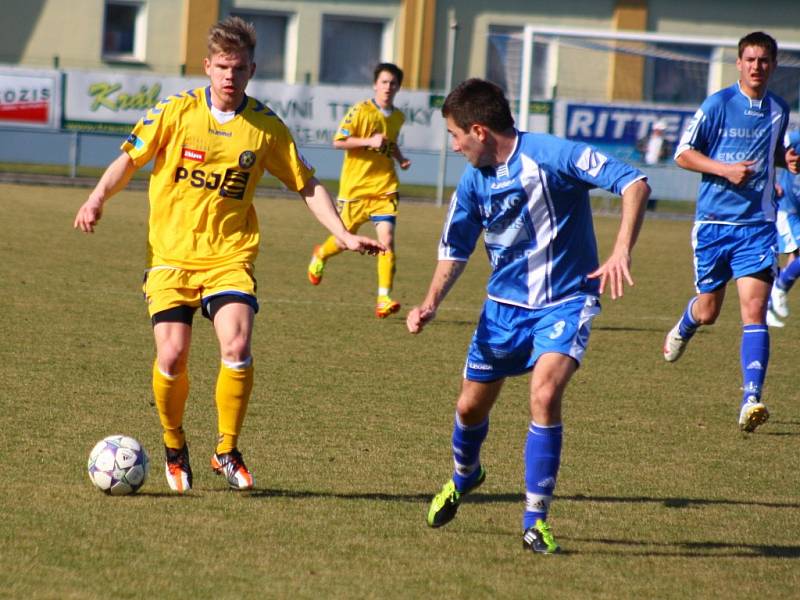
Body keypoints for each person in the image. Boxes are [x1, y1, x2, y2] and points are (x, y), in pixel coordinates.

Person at [73, 16, 384, 494]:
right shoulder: (173, 113)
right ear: (207, 66)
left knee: (236, 348)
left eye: (238, 68)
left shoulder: (265, 128)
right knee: (172, 357)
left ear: (252, 70)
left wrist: (341, 233)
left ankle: (226, 449)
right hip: (171, 257)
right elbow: (128, 160)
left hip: (229, 257)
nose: (229, 76)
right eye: (221, 67)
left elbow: (307, 183)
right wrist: (96, 198)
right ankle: (175, 446)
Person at [406, 79, 650, 554]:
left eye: (456, 135)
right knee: (469, 409)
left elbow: (634, 182)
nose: (454, 146)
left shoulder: (554, 155)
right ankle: (465, 475)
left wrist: (621, 250)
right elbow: (455, 248)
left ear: (479, 130)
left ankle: (535, 519)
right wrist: (430, 302)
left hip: (565, 302)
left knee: (544, 393)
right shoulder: (474, 180)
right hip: (502, 312)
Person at [662, 31, 799, 432]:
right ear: (739, 64)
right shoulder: (717, 105)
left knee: (754, 310)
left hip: (757, 226)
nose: (757, 66)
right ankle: (686, 324)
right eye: (750, 59)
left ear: (773, 65)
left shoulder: (779, 109)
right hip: (713, 226)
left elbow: (772, 150)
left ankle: (751, 398)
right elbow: (683, 154)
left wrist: (785, 161)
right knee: (708, 312)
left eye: (764, 60)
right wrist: (725, 169)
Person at [306, 63, 411, 318]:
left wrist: (400, 158)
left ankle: (383, 298)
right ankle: (321, 253)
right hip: (354, 190)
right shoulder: (360, 111)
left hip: (384, 189)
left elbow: (390, 142)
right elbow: (338, 141)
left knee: (387, 242)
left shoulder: (398, 117)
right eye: (384, 82)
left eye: (393, 83)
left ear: (398, 87)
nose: (388, 87)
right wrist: (368, 141)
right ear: (375, 84)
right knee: (344, 240)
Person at [767, 130, 800, 327]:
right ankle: (778, 288)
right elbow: (769, 151)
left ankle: (769, 305)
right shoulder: (795, 138)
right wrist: (771, 182)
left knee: (794, 261)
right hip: (789, 209)